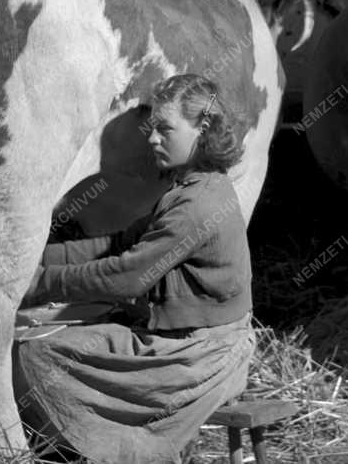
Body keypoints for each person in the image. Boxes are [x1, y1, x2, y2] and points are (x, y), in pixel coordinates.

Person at [14, 73, 255, 463]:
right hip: (184, 341)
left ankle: (135, 451)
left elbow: (127, 276)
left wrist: (39, 283)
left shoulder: (199, 205)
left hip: (199, 355)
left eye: (165, 129)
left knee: (40, 354)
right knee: (59, 342)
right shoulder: (190, 188)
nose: (152, 139)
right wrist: (31, 259)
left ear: (203, 129)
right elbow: (118, 243)